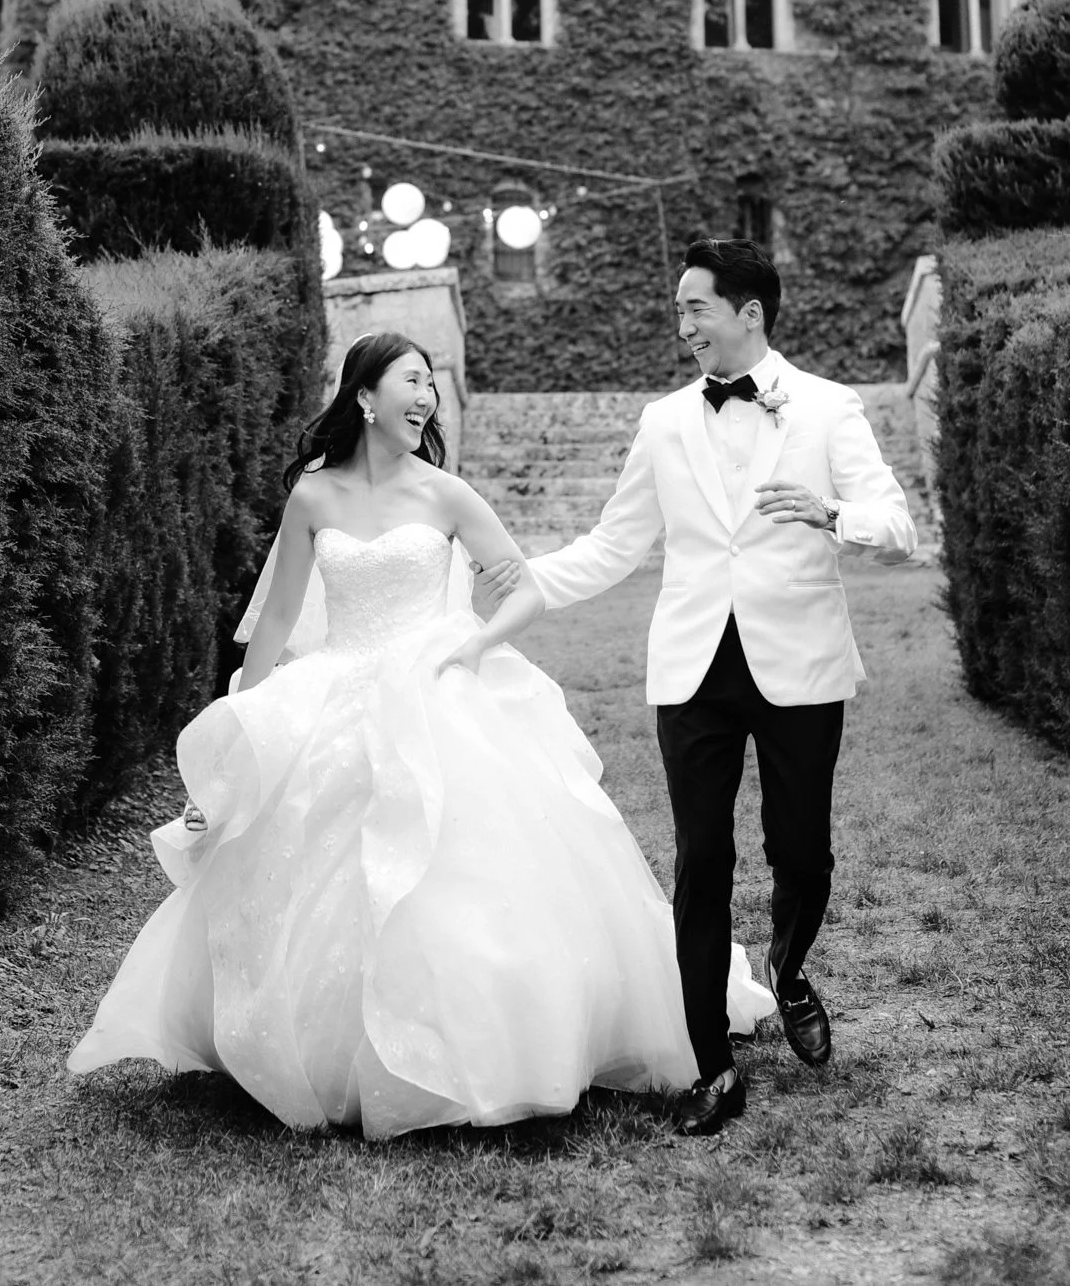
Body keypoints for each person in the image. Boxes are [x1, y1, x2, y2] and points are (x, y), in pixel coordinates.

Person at [67, 330, 771, 1137]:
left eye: (430, 384)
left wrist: (473, 642)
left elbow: (521, 589)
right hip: (336, 686)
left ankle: (485, 1043)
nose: (426, 396)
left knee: (459, 866)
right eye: (411, 380)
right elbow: (278, 621)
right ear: (364, 396)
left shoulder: (445, 494)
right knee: (305, 864)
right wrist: (241, 730)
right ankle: (315, 1046)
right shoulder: (312, 497)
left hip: (434, 689)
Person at [485, 238, 916, 1137]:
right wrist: (520, 575)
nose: (682, 325)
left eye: (694, 308)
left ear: (747, 314)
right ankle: (710, 1065)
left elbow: (898, 527)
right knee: (700, 860)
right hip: (691, 671)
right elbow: (614, 544)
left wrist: (831, 513)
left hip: (798, 664)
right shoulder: (663, 421)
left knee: (801, 851)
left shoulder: (829, 409)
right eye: (679, 310)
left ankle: (789, 969)